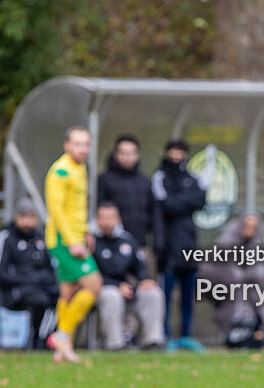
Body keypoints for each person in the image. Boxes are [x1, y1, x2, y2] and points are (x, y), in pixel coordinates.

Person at [44, 126, 103, 363]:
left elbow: (75, 208)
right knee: (94, 285)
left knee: (68, 292)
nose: (82, 149)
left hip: (76, 236)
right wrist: (72, 242)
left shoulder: (80, 169)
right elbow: (56, 210)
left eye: (86, 144)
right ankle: (62, 335)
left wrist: (86, 230)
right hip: (63, 239)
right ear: (66, 145)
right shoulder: (60, 171)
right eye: (77, 144)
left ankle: (62, 350)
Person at [151, 139, 207, 353]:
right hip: (168, 246)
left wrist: (179, 202)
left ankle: (186, 335)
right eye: (173, 152)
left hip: (189, 245)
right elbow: (165, 204)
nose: (176, 157)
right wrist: (185, 202)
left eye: (180, 152)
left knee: (188, 295)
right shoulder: (160, 177)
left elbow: (200, 200)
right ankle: (165, 335)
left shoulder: (192, 178)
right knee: (165, 295)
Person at [93, 202, 166, 350]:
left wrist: (145, 280)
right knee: (111, 295)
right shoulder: (91, 242)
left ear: (118, 219)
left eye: (110, 218)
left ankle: (152, 340)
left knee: (153, 293)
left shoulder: (127, 240)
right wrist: (115, 285)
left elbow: (139, 266)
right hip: (101, 288)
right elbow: (91, 273)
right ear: (97, 220)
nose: (107, 222)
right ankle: (115, 343)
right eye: (103, 218)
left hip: (127, 288)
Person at [197, 212, 264, 346]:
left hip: (240, 281)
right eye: (247, 226)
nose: (250, 230)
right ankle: (233, 334)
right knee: (237, 291)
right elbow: (230, 272)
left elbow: (258, 271)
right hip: (212, 280)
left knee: (262, 293)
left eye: (253, 227)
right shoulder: (226, 240)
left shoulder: (254, 242)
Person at [0, 197, 59, 349]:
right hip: (13, 291)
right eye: (23, 216)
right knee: (40, 300)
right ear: (15, 217)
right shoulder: (6, 238)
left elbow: (50, 267)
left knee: (57, 298)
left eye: (31, 217)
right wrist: (27, 280)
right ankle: (38, 341)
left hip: (39, 288)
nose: (27, 222)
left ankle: (43, 339)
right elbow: (2, 272)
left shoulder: (41, 238)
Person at [97, 134, 155, 250]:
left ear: (137, 155)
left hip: (140, 241)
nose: (126, 157)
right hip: (112, 243)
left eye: (130, 153)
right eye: (123, 153)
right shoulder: (105, 180)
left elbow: (153, 211)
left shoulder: (144, 181)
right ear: (116, 154)